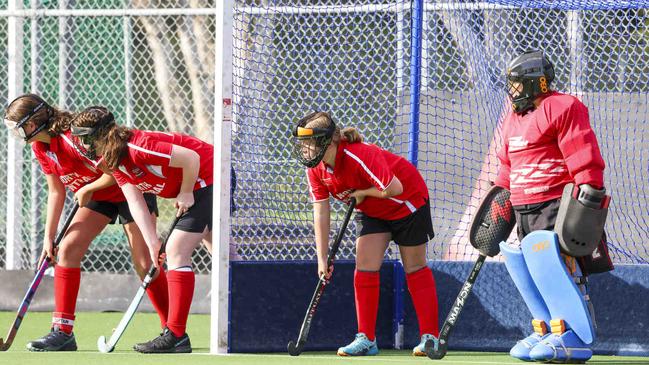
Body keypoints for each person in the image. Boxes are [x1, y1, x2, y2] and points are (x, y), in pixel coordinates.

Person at [2, 94, 166, 352]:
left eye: (17, 126)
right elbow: (56, 191)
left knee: (145, 263)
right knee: (67, 250)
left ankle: (172, 330)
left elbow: (115, 170)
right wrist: (49, 237)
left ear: (33, 123)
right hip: (98, 196)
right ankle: (63, 332)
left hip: (130, 188)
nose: (16, 132)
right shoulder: (40, 148)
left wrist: (88, 186)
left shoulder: (72, 139)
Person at [495, 50, 613, 363]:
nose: (513, 91)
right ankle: (546, 327)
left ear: (537, 83)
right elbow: (507, 165)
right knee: (530, 271)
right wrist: (499, 202)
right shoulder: (513, 117)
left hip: (554, 205)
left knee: (559, 269)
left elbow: (580, 149)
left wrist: (589, 189)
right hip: (523, 206)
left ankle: (571, 334)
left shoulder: (562, 106)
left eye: (518, 85)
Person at [292, 111, 439, 356]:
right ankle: (366, 339)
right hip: (372, 210)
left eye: (309, 143)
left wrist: (363, 193)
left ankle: (430, 337)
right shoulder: (316, 168)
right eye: (302, 144)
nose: (305, 150)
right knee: (365, 266)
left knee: (414, 267)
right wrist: (322, 257)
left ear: (327, 142)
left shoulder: (358, 156)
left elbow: (395, 187)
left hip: (407, 201)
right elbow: (321, 211)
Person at [70, 106, 214, 354]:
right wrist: (153, 245)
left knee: (177, 250)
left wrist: (187, 191)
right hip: (198, 184)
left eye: (85, 138)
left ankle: (176, 335)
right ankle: (254, 313)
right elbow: (135, 201)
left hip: (210, 177)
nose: (83, 145)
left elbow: (191, 158)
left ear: (99, 135)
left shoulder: (138, 146)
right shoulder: (113, 158)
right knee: (222, 253)